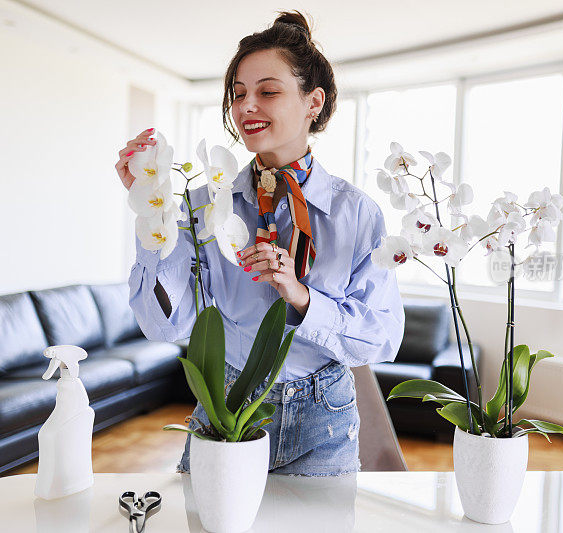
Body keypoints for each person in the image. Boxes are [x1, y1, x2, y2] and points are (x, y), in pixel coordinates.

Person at [116, 11, 404, 476]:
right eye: (239, 94)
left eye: (267, 91)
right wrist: (151, 208)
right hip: (225, 408)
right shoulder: (202, 206)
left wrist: (302, 296)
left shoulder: (357, 214)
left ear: (314, 102)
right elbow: (164, 328)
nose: (247, 106)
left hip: (324, 419)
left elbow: (382, 338)